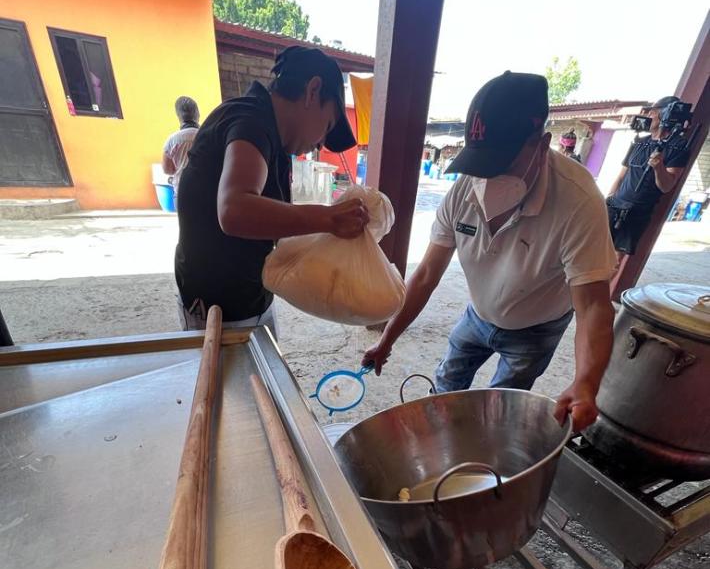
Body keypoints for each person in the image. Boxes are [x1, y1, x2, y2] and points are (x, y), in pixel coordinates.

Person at [363, 71, 616, 433]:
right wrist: (388, 338)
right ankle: (440, 440)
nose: (487, 179)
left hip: (535, 329)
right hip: (478, 314)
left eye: (502, 163)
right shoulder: (464, 190)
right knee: (449, 379)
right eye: (481, 163)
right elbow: (427, 274)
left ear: (542, 145)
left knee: (500, 408)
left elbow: (593, 306)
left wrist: (586, 383)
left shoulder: (579, 201)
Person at [175, 47, 367, 333]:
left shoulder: (273, 137)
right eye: (326, 126)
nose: (320, 144)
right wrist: (329, 218)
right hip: (218, 307)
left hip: (249, 296)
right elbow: (235, 210)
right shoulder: (250, 121)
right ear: (312, 91)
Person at [606, 96, 689, 255]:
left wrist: (659, 168)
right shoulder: (639, 142)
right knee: (595, 249)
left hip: (637, 212)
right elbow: (622, 175)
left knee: (616, 259)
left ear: (665, 115)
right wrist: (608, 199)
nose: (649, 116)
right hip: (615, 205)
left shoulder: (678, 147)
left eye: (653, 112)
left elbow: (667, 186)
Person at [162, 96, 201, 200]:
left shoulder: (171, 141)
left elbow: (168, 170)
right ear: (197, 114)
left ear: (179, 116)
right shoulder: (207, 135)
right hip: (206, 190)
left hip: (182, 192)